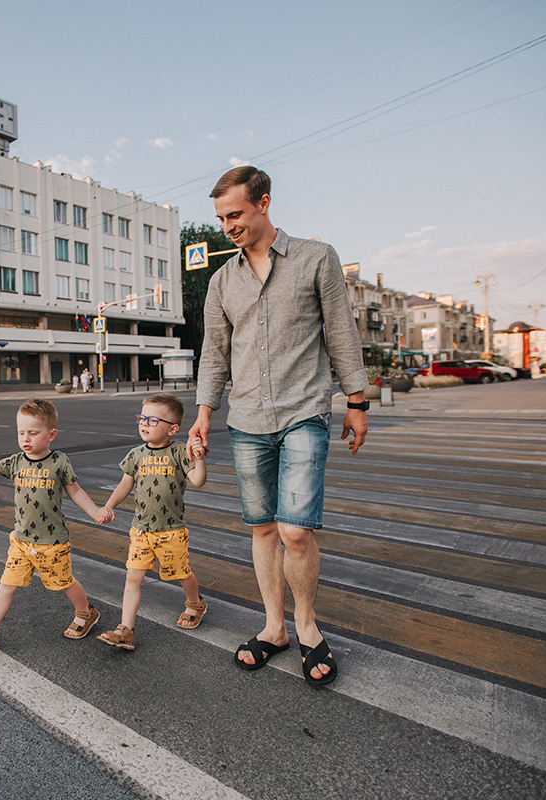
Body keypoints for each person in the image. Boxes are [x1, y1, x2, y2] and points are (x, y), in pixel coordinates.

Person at [187, 166, 368, 687]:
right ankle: (274, 627)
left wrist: (357, 403)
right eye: (221, 218)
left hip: (304, 411)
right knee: (263, 527)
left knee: (295, 528)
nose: (228, 226)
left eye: (236, 214)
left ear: (264, 203)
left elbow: (341, 334)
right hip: (246, 419)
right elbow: (214, 354)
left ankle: (307, 627)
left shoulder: (316, 258)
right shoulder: (222, 280)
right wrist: (203, 415)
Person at [0, 399, 104, 652]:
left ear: (51, 435)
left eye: (32, 432)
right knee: (7, 584)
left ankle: (86, 613)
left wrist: (95, 511)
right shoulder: (16, 462)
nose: (25, 438)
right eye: (20, 432)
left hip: (52, 542)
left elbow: (75, 491)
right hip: (20, 541)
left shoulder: (59, 461)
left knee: (65, 583)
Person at [95, 393, 208, 651]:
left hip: (172, 531)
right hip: (141, 530)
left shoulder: (180, 451)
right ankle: (125, 629)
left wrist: (199, 457)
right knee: (133, 577)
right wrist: (108, 506)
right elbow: (125, 485)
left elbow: (198, 480)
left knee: (181, 574)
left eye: (152, 420)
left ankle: (195, 603)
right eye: (142, 417)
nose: (144, 423)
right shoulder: (135, 455)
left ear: (173, 429)